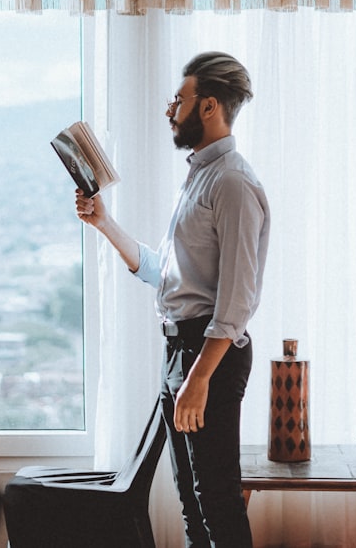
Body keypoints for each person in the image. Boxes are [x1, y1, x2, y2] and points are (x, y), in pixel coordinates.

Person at [75, 51, 270, 547]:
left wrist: (200, 377)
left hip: (209, 359)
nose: (169, 109)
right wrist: (103, 222)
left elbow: (237, 297)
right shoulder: (200, 176)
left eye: (178, 99)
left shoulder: (232, 181)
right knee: (191, 499)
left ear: (208, 106)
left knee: (217, 501)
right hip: (181, 354)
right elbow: (166, 272)